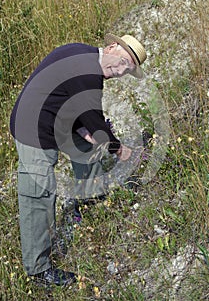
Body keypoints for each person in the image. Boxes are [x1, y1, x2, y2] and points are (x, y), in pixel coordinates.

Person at [10, 33, 147, 288]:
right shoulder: (88, 73)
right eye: (123, 62)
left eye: (128, 69)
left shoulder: (84, 56)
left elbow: (69, 98)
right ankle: (39, 270)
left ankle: (88, 198)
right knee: (38, 193)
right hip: (32, 127)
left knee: (87, 145)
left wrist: (83, 130)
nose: (121, 71)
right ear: (112, 47)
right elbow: (95, 121)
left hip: (54, 117)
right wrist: (122, 151)